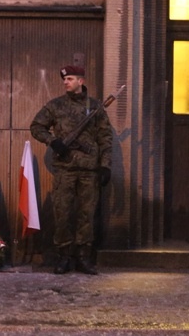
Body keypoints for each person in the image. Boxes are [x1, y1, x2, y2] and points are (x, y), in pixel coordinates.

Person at [30, 65, 113, 275]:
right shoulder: (55, 106)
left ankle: (84, 257)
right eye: (65, 79)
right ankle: (64, 257)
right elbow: (36, 126)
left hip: (89, 170)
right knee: (62, 214)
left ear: (81, 81)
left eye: (70, 79)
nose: (66, 82)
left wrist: (105, 165)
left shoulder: (95, 107)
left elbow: (105, 138)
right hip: (65, 169)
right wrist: (53, 141)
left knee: (87, 215)